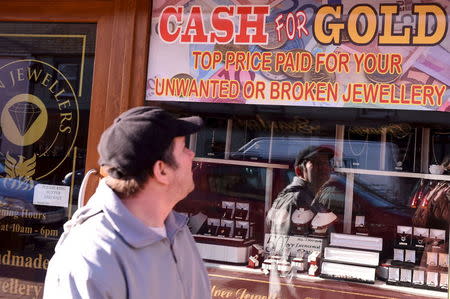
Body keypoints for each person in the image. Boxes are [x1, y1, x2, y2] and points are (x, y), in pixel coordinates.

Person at [43, 107, 211, 299]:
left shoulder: (178, 231)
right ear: (161, 171)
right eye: (183, 148)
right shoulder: (89, 257)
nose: (192, 154)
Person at [266, 145, 339, 235]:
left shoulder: (311, 195)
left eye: (327, 162)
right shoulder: (296, 197)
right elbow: (287, 242)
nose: (324, 167)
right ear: (299, 171)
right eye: (317, 163)